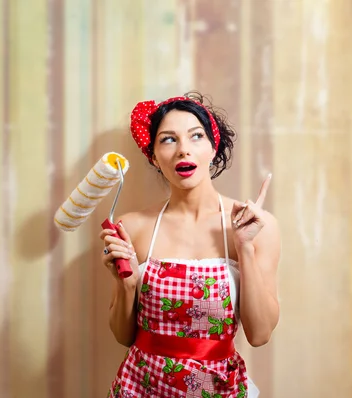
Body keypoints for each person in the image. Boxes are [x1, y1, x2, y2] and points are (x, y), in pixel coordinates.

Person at [100, 92, 281, 397]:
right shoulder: (132, 227)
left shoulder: (256, 226)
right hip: (140, 388)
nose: (184, 150)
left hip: (219, 389)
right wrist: (127, 284)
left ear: (213, 148)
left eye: (196, 136)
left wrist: (245, 248)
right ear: (154, 157)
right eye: (168, 140)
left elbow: (260, 335)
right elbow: (122, 335)